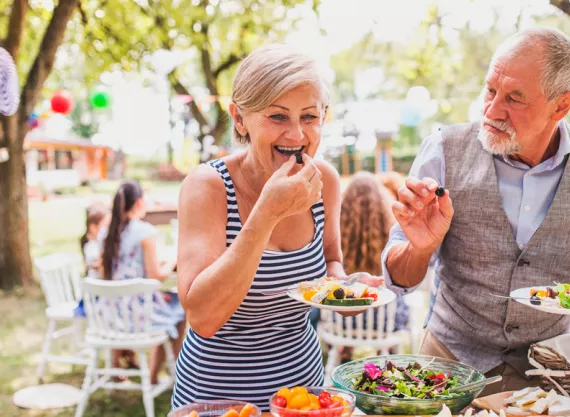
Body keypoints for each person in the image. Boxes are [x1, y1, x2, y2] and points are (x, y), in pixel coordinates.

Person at [382, 27, 570, 396]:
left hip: (552, 367)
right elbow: (400, 279)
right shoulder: (443, 151)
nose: (492, 110)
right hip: (448, 364)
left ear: (561, 105)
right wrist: (420, 247)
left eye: (514, 98)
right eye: (490, 90)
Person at [173, 44, 377, 410]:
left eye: (310, 117)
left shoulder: (324, 180)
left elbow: (331, 263)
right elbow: (202, 317)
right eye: (278, 117)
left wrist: (346, 289)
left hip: (302, 394)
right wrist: (266, 214)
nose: (297, 135)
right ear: (240, 119)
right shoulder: (207, 186)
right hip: (217, 398)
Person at [101, 179, 185, 384]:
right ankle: (156, 375)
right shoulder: (145, 232)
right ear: (139, 203)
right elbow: (155, 275)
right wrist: (174, 259)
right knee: (180, 308)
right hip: (137, 314)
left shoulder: (107, 232)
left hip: (108, 313)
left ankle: (115, 369)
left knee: (166, 300)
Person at [338, 172, 410, 360]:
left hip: (342, 321)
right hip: (384, 318)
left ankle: (345, 348)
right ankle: (387, 351)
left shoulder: (337, 233)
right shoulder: (391, 232)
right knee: (398, 300)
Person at [80, 204, 110, 278]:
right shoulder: (91, 246)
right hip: (96, 285)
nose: (108, 229)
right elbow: (97, 264)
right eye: (105, 225)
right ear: (93, 227)